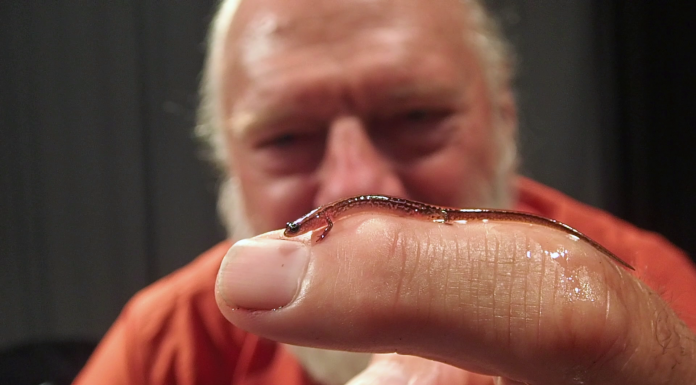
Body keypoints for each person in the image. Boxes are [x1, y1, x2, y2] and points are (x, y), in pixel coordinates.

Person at [74, 0, 696, 383]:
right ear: (223, 159)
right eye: (286, 136)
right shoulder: (163, 350)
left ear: (505, 115)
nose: (356, 182)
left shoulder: (650, 299)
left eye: (417, 116)